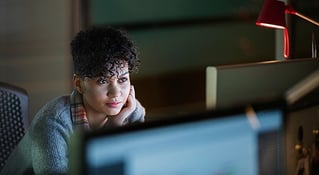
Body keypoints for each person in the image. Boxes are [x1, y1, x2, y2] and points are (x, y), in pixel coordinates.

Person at [0, 26, 145, 175]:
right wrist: (111, 131)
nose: (116, 93)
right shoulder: (53, 122)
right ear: (79, 84)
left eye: (122, 80)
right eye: (102, 81)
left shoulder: (130, 111)